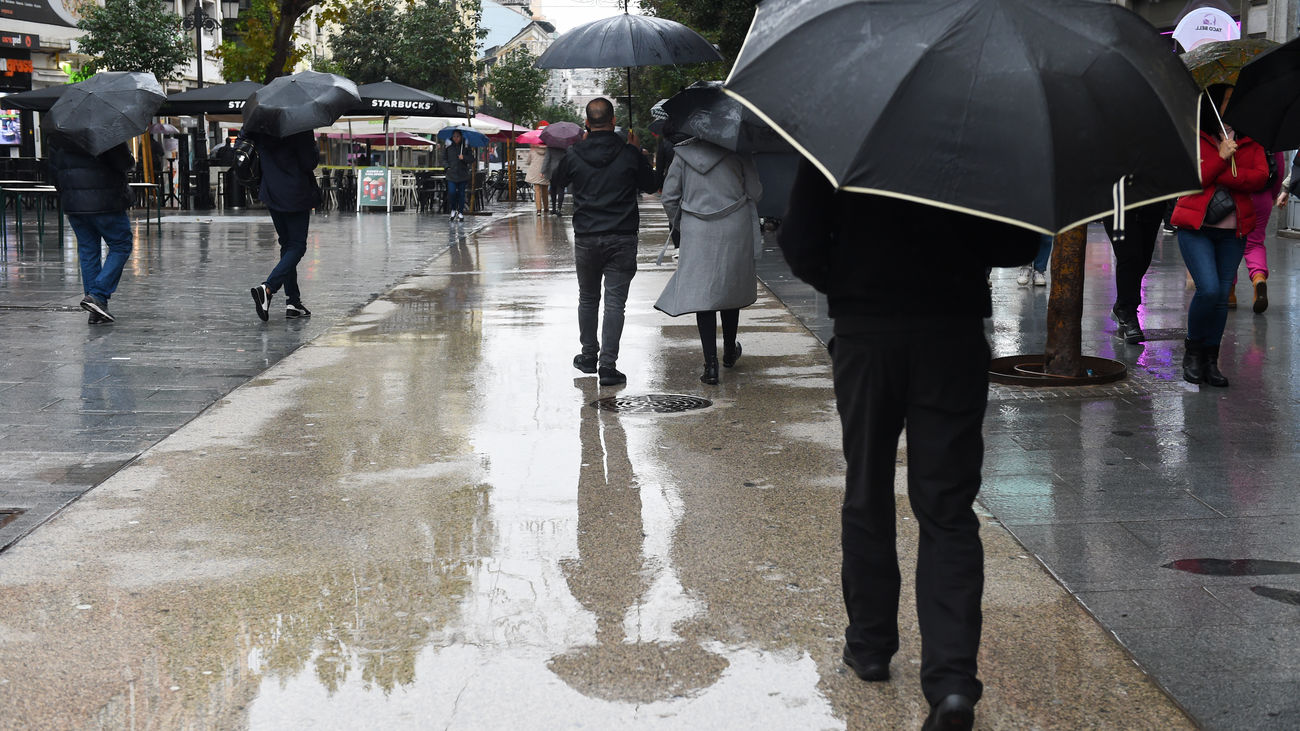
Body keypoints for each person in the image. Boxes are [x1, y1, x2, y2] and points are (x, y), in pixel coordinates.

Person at [779, 159, 1039, 731]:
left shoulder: (843, 135)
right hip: (951, 333)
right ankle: (950, 683)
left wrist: (849, 282)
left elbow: (798, 242)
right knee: (946, 507)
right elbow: (1020, 240)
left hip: (867, 335)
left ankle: (870, 646)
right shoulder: (982, 138)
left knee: (867, 486)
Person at [550, 98, 658, 387]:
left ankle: (588, 355)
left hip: (587, 237)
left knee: (588, 298)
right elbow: (651, 185)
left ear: (587, 123)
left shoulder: (574, 154)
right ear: (613, 122)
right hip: (622, 236)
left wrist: (579, 149)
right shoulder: (629, 153)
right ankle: (608, 366)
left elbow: (557, 181)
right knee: (614, 303)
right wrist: (638, 153)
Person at [1169, 84, 1269, 387]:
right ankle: (1193, 351)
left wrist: (1222, 172)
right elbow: (1193, 179)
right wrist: (1222, 157)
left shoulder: (1250, 138)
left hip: (1233, 233)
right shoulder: (1194, 137)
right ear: (1213, 104)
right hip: (1195, 229)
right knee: (1209, 290)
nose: (1234, 104)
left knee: (1222, 297)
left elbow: (1261, 177)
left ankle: (1211, 360)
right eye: (1228, 100)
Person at [656, 137, 762, 384]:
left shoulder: (682, 154)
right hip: (734, 226)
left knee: (703, 295)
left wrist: (684, 225)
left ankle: (710, 364)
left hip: (697, 229)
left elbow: (669, 198)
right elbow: (755, 192)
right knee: (729, 287)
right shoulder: (739, 151)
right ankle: (729, 351)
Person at [48, 136, 135, 324]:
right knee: (121, 245)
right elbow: (124, 163)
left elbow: (54, 171)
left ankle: (96, 307)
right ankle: (98, 294)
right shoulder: (106, 130)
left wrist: (68, 193)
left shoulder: (58, 133)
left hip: (74, 203)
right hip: (106, 201)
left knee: (88, 250)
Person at [247, 130, 321, 322]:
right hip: (295, 192)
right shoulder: (299, 126)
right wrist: (314, 147)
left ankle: (293, 302)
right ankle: (268, 288)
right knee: (297, 245)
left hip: (271, 191)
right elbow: (309, 162)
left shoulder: (263, 122)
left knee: (287, 245)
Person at [1102, 202, 1166, 343]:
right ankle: (1127, 311)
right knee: (1129, 257)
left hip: (1151, 198)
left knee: (1143, 258)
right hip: (1117, 200)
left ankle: (1121, 305)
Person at [445, 130, 475, 221]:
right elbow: (443, 158)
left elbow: (471, 159)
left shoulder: (465, 145)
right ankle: (453, 209)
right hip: (451, 174)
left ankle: (461, 212)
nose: (456, 138)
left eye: (458, 136)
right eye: (454, 136)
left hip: (463, 174)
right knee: (452, 192)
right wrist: (447, 167)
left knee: (461, 194)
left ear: (461, 137)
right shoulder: (448, 146)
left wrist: (464, 158)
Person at [525, 141, 550, 215]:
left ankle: (538, 210)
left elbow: (528, 161)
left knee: (537, 190)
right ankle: (546, 207)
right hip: (545, 171)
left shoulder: (532, 149)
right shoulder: (548, 150)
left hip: (535, 172)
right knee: (545, 190)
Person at [543, 145, 567, 215]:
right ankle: (559, 209)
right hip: (562, 170)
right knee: (561, 189)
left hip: (552, 171)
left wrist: (543, 171)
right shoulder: (565, 147)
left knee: (553, 189)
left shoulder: (550, 148)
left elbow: (546, 160)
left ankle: (553, 209)